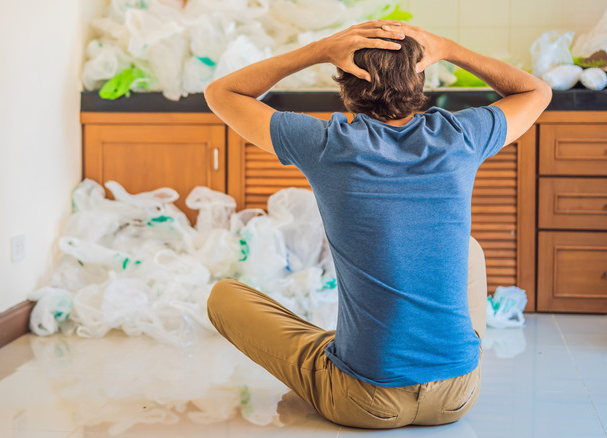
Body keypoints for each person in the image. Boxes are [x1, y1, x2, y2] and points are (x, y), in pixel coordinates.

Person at [203, 20, 551, 429]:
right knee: (468, 249)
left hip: (364, 399)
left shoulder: (325, 143)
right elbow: (537, 91)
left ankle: (361, 350)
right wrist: (451, 48)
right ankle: (407, 353)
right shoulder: (461, 136)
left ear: (345, 84)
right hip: (458, 394)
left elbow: (221, 92)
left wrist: (317, 49)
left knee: (224, 296)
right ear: (420, 77)